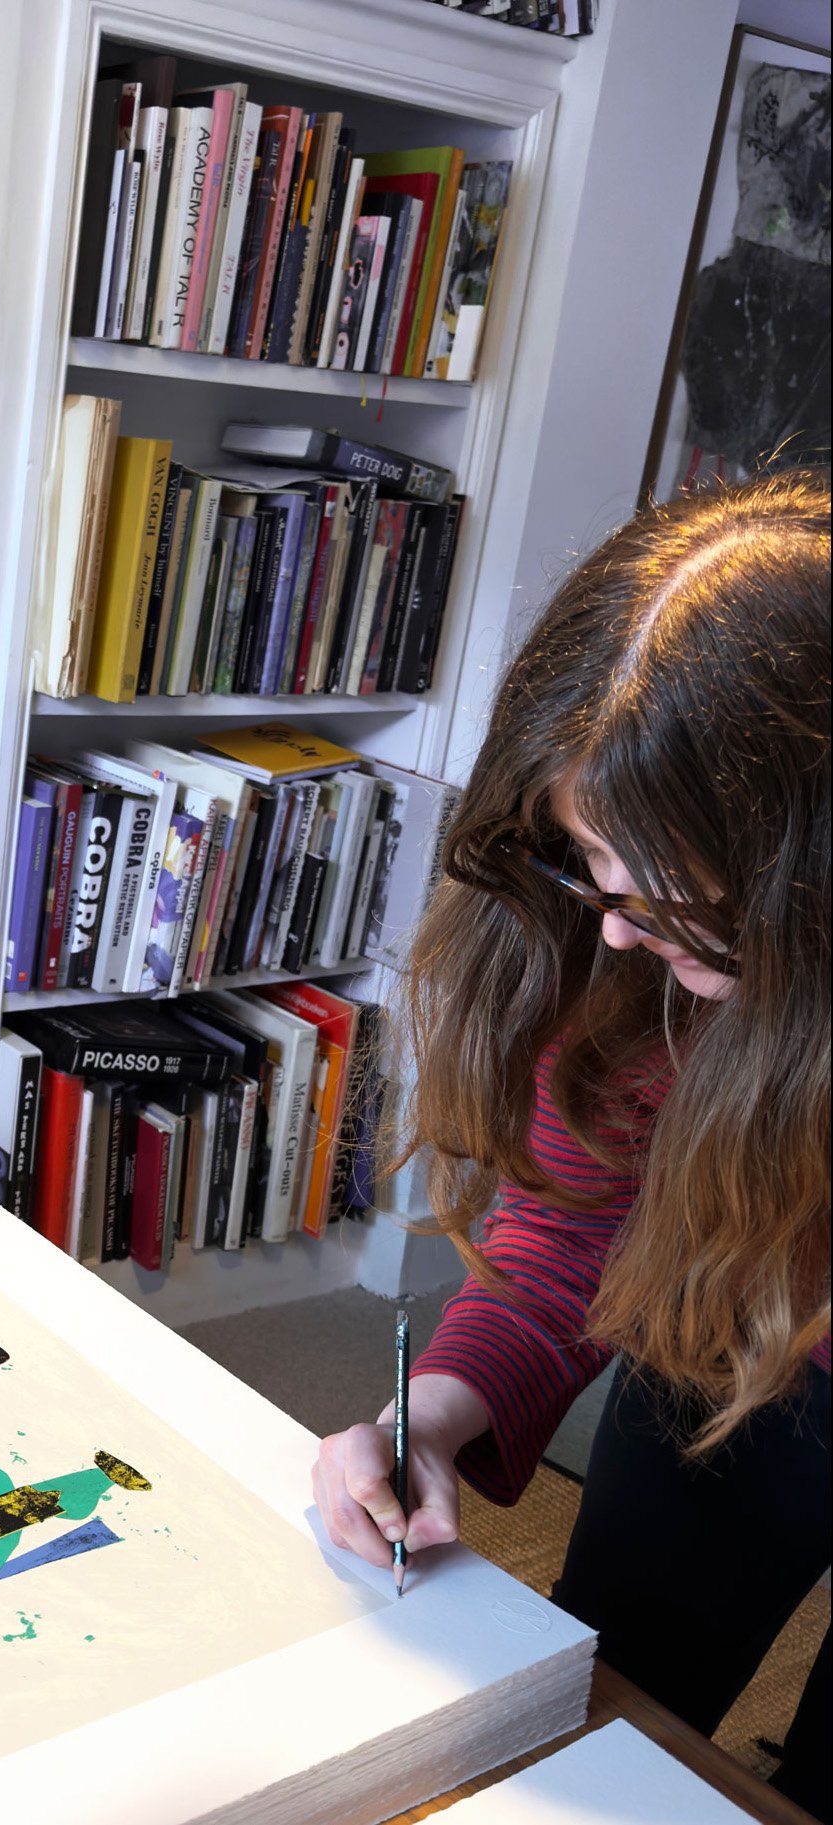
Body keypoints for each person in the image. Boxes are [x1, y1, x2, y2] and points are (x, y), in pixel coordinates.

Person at [312, 469, 831, 1820]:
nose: (613, 925)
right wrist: (432, 1412)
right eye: (593, 865)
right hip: (719, 1323)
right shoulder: (628, 957)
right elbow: (575, 1234)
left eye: (672, 897)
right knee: (613, 1704)